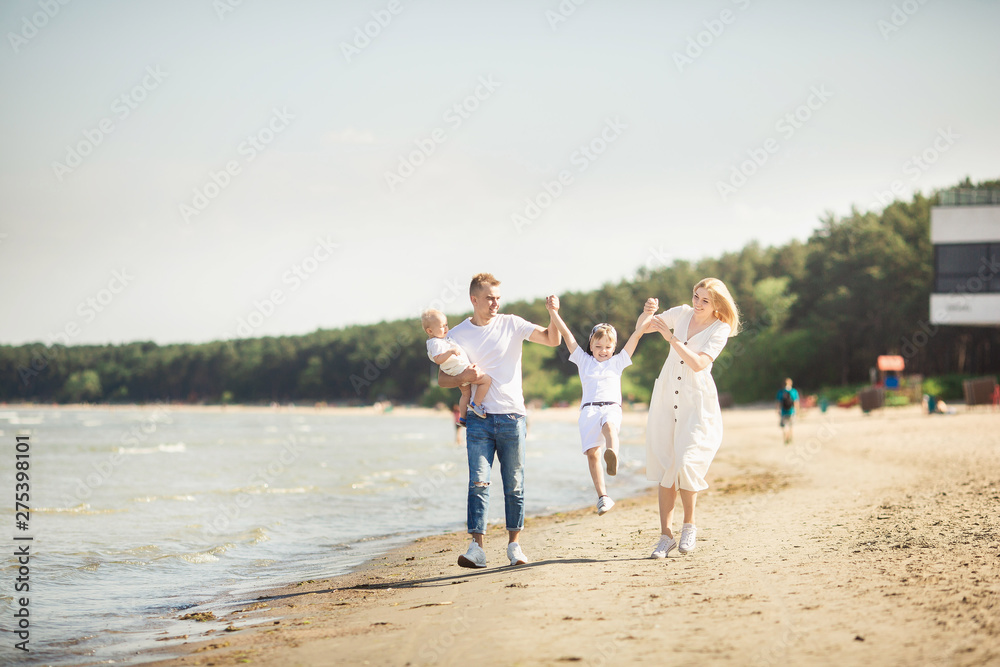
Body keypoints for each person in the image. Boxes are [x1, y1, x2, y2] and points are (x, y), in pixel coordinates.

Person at [437, 273, 561, 568]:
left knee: (514, 484)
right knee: (478, 482)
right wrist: (466, 377)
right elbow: (442, 378)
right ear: (474, 299)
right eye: (489, 298)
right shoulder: (457, 334)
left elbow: (553, 340)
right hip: (478, 419)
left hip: (512, 416)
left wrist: (553, 314)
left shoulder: (512, 323)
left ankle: (514, 546)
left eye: (498, 298)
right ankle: (476, 549)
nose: (495, 303)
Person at [645, 278, 741, 559]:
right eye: (696, 297)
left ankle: (689, 526)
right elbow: (645, 326)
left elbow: (699, 363)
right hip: (666, 396)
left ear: (717, 305)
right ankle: (665, 536)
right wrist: (648, 311)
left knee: (687, 462)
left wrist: (672, 339)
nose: (698, 304)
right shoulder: (681, 313)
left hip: (695, 400)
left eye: (705, 300)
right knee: (667, 467)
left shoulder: (720, 328)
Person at [548, 300, 656, 515]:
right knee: (592, 454)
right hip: (588, 410)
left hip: (611, 407)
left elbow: (637, 335)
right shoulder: (583, 360)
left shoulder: (618, 361)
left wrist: (647, 313)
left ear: (614, 347)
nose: (603, 350)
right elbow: (567, 335)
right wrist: (553, 312)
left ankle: (613, 452)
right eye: (598, 346)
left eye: (608, 347)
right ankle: (603, 497)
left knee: (609, 426)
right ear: (590, 346)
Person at [422, 308, 492, 423]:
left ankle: (463, 418)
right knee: (486, 380)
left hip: (456, 370)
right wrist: (450, 352)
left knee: (466, 394)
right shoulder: (436, 343)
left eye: (446, 325)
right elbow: (438, 359)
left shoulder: (440, 340)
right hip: (460, 369)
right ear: (430, 331)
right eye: (441, 326)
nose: (445, 328)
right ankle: (476, 404)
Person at [776, 378, 800, 444]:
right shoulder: (794, 391)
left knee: (784, 426)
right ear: (791, 383)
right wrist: (797, 411)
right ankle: (790, 437)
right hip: (792, 411)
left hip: (783, 412)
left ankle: (785, 437)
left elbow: (778, 402)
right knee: (791, 426)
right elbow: (796, 402)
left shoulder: (781, 392)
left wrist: (777, 410)